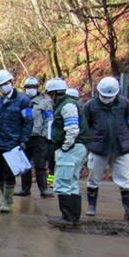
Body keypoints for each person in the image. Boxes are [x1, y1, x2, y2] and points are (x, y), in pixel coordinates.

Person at [84, 76, 129, 221]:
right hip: (98, 147)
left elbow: (128, 121)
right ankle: (91, 206)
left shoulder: (123, 103)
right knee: (93, 178)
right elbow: (85, 125)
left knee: (125, 179)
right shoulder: (90, 105)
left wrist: (120, 135)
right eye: (104, 95)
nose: (106, 98)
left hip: (120, 147)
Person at [45, 78, 90, 229]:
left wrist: (65, 146)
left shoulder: (67, 105)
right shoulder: (68, 104)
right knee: (72, 183)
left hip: (71, 148)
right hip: (77, 147)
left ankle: (67, 217)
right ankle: (74, 218)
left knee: (62, 182)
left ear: (54, 93)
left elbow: (72, 129)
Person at [0, 69, 33, 213]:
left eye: (5, 83)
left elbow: (28, 121)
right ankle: (5, 196)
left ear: (11, 82)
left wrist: (24, 139)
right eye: (0, 85)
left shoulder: (23, 100)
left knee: (9, 173)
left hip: (13, 143)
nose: (3, 87)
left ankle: (7, 200)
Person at [15, 77, 54, 199]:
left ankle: (44, 190)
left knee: (40, 165)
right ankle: (25, 189)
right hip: (25, 138)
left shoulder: (44, 102)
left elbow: (48, 119)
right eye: (28, 87)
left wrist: (45, 135)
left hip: (39, 138)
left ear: (37, 88)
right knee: (24, 165)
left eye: (33, 87)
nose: (30, 90)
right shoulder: (21, 101)